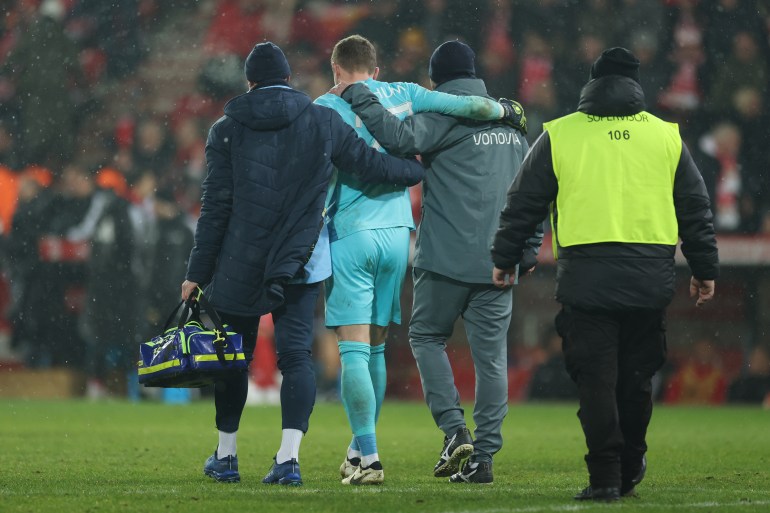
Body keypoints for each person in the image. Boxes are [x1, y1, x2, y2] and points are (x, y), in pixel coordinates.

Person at [180, 41, 426, 486]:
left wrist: (197, 272)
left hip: (240, 257)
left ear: (250, 82)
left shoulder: (226, 129)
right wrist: (419, 169)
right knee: (296, 358)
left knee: (233, 357)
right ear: (288, 79)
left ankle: (227, 455)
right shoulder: (321, 119)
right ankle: (288, 459)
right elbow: (372, 166)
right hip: (301, 257)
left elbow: (215, 208)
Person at [491, 47, 719, 501]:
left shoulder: (561, 134)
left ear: (592, 83)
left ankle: (606, 478)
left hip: (586, 282)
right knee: (636, 382)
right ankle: (631, 465)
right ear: (636, 83)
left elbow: (522, 205)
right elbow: (695, 208)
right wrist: (704, 266)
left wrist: (506, 257)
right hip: (648, 279)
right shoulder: (666, 136)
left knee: (596, 382)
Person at [317, 34, 524, 486]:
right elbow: (531, 196)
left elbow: (396, 138)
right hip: (489, 257)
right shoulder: (513, 127)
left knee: (419, 338)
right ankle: (482, 457)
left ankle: (435, 436)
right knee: (491, 361)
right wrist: (522, 255)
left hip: (427, 253)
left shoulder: (430, 115)